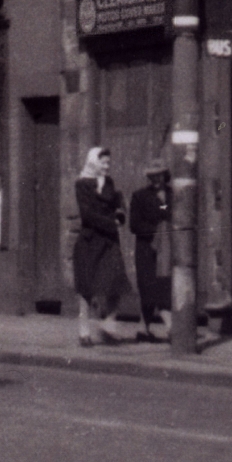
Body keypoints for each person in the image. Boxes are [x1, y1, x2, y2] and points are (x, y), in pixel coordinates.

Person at [71, 146, 131, 346]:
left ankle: (108, 322)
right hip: (90, 240)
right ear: (94, 163)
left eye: (108, 163)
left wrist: (120, 214)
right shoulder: (82, 184)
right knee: (87, 287)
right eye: (103, 162)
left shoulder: (109, 183)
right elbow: (87, 215)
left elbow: (116, 204)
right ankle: (83, 331)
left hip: (109, 240)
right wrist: (110, 223)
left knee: (117, 281)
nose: (107, 166)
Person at [129, 158, 173, 342]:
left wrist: (163, 205)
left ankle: (143, 328)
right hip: (147, 248)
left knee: (161, 286)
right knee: (148, 287)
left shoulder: (173, 193)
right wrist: (155, 229)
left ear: (165, 175)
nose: (156, 179)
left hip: (167, 248)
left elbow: (171, 215)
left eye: (159, 175)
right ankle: (171, 326)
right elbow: (134, 225)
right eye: (152, 176)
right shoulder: (140, 196)